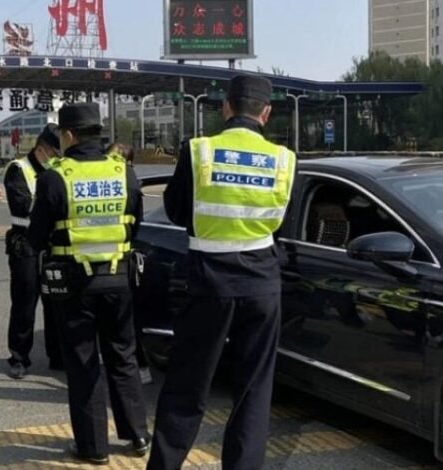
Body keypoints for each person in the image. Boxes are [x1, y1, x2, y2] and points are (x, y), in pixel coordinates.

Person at [147, 75, 297, 470]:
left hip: (209, 281)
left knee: (187, 386)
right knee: (253, 392)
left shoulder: (199, 151)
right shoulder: (283, 159)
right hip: (262, 283)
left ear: (226, 107)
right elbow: (280, 221)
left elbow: (176, 211)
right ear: (266, 113)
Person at [28, 103, 149, 465]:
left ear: (68, 135)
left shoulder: (55, 177)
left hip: (74, 285)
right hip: (120, 278)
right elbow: (135, 224)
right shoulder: (124, 172)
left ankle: (93, 447)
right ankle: (138, 434)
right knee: (123, 357)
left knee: (83, 363)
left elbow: (36, 237)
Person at [3, 124, 63, 380]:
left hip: (53, 243)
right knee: (25, 302)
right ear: (42, 149)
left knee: (57, 300)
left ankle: (58, 355)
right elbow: (24, 205)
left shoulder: (58, 170)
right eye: (54, 153)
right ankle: (19, 357)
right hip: (26, 243)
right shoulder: (18, 169)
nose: (56, 158)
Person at [107, 142, 151, 385]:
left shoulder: (127, 182)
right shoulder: (125, 180)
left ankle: (139, 364)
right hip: (113, 257)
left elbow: (136, 221)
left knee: (127, 317)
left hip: (121, 257)